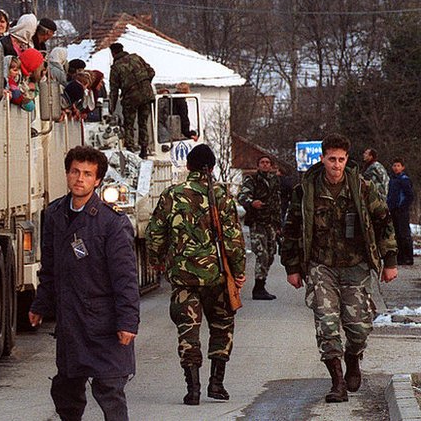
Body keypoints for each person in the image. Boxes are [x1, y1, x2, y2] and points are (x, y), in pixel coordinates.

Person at [281, 133, 397, 403]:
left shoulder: (362, 188)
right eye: (331, 159)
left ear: (347, 160)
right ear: (322, 158)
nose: (336, 165)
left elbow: (384, 221)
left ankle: (353, 358)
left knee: (359, 328)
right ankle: (337, 383)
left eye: (341, 159)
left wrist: (390, 260)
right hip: (321, 267)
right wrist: (292, 267)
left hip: (356, 266)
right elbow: (291, 229)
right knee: (326, 324)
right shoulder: (306, 190)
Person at [29, 145, 139, 421]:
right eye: (75, 172)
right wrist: (40, 305)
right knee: (66, 390)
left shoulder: (112, 223)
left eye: (88, 174)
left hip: (103, 322)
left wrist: (128, 321)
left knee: (110, 390)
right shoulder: (55, 214)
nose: (80, 179)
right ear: (67, 174)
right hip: (71, 321)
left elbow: (126, 277)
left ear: (97, 180)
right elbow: (50, 267)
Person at [147, 144, 246, 406]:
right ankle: (217, 383)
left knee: (188, 331)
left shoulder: (171, 194)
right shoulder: (222, 196)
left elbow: (155, 233)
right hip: (216, 276)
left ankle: (193, 389)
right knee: (222, 326)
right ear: (211, 168)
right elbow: (234, 239)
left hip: (183, 279)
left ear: (188, 166)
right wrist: (238, 272)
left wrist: (157, 261)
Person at [237, 155, 281, 300]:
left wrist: (279, 224)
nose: (265, 164)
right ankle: (258, 287)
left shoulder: (274, 180)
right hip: (257, 222)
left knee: (271, 254)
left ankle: (262, 283)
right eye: (262, 162)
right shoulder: (252, 180)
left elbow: (278, 203)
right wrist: (252, 203)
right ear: (258, 165)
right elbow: (242, 197)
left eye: (267, 162)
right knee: (262, 254)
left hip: (271, 223)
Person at [108, 43, 156, 158]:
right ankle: (144, 150)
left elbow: (114, 90)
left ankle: (130, 150)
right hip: (146, 94)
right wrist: (145, 83)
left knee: (129, 124)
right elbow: (151, 72)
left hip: (131, 97)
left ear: (113, 53)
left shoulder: (115, 67)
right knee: (143, 122)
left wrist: (112, 108)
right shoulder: (136, 57)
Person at [388, 158, 415, 265]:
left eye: (398, 166)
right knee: (396, 234)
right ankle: (400, 256)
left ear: (402, 167)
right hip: (393, 210)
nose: (396, 168)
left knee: (404, 234)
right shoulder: (392, 180)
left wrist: (402, 207)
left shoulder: (404, 180)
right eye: (394, 165)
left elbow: (410, 196)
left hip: (402, 211)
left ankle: (408, 257)